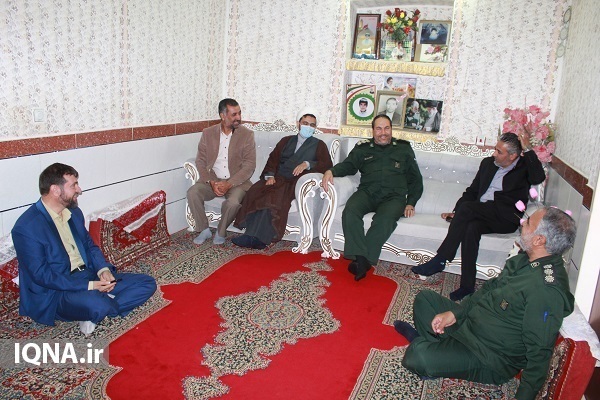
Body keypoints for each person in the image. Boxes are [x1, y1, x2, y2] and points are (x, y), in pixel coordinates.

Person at [394, 207, 576, 400]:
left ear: (539, 240)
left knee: (416, 357)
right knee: (425, 299)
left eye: (529, 222)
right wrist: (456, 314)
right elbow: (489, 288)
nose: (523, 223)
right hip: (471, 324)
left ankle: (426, 347)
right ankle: (437, 349)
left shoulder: (546, 291)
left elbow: (540, 353)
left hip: (487, 355)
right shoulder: (525, 259)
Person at [11, 163, 157, 335]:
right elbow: (42, 275)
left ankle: (95, 310)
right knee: (97, 303)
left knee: (147, 283)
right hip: (57, 291)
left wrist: (102, 270)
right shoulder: (26, 227)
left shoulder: (74, 213)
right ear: (55, 190)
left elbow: (89, 246)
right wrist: (89, 286)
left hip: (87, 274)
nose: (79, 190)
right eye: (73, 185)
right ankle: (98, 305)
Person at [411, 132, 546, 301]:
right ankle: (467, 286)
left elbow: (538, 177)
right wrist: (457, 212)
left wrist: (529, 149)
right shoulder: (488, 163)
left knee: (468, 209)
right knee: (471, 228)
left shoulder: (524, 167)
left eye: (499, 152)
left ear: (512, 156)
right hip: (481, 212)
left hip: (505, 217)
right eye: (495, 149)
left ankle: (441, 259)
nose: (494, 153)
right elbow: (473, 191)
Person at [321, 115, 423, 281]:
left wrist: (411, 202)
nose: (383, 133)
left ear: (391, 129)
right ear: (373, 131)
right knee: (350, 210)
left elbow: (415, 179)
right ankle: (363, 259)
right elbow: (349, 166)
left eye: (387, 128)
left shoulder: (403, 148)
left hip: (394, 197)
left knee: (384, 220)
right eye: (379, 129)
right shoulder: (363, 148)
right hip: (368, 192)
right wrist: (331, 171)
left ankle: (361, 260)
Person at [232, 108, 333, 249]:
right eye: (305, 123)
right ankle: (250, 234)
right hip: (277, 178)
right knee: (256, 190)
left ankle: (260, 239)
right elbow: (273, 159)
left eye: (312, 125)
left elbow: (326, 165)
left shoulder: (319, 145)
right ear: (298, 123)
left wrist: (307, 164)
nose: (308, 127)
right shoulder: (286, 141)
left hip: (295, 182)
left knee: (273, 197)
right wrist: (270, 176)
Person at [186, 98, 256, 245]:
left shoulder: (247, 135)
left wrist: (229, 183)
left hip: (237, 182)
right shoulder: (208, 133)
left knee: (233, 203)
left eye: (239, 113)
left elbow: (249, 165)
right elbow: (200, 161)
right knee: (193, 192)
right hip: (213, 180)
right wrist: (211, 181)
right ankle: (204, 229)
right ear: (223, 116)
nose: (238, 117)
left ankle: (221, 231)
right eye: (234, 114)